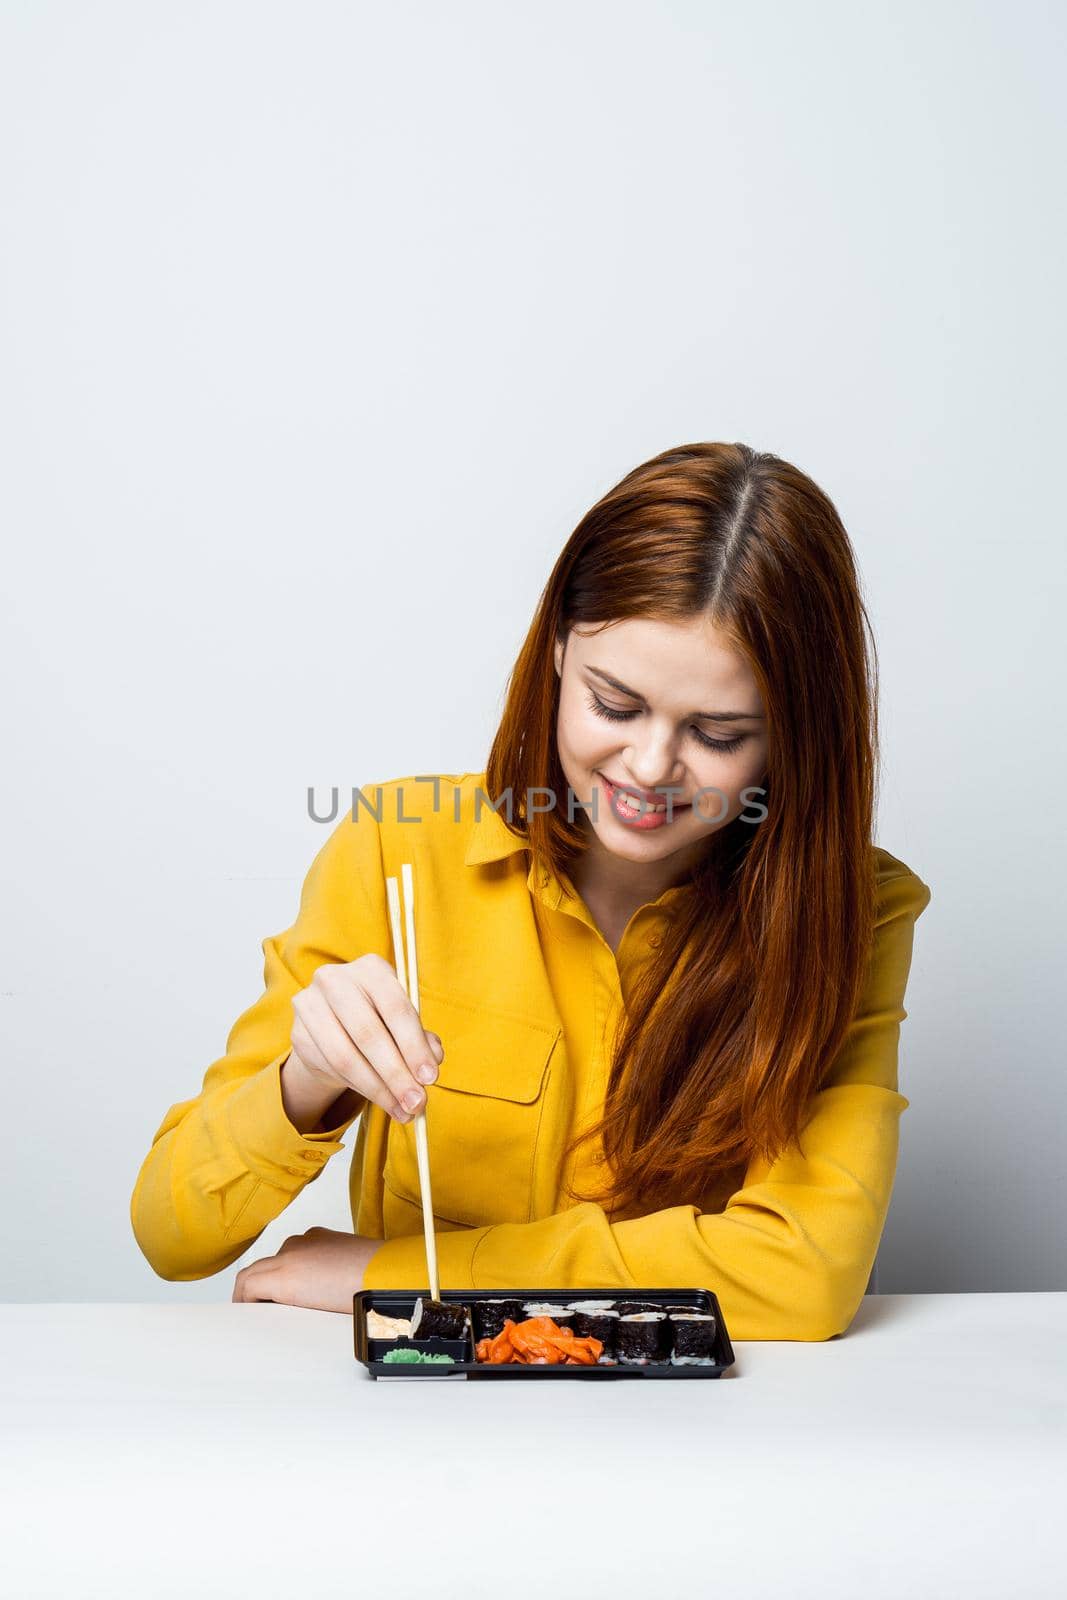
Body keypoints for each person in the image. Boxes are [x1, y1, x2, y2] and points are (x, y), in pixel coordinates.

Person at [130, 441, 932, 1340]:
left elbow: (802, 1275)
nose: (650, 766)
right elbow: (172, 1232)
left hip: (696, 1444)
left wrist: (409, 1276)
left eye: (715, 731)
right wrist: (305, 1081)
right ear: (557, 650)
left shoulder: (854, 910)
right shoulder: (397, 847)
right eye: (615, 705)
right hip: (425, 1437)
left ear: (793, 737)